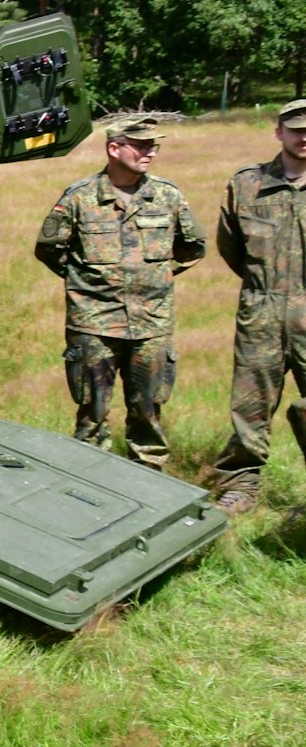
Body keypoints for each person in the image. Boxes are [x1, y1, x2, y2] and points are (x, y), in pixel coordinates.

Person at [34, 116, 206, 467]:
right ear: (114, 148)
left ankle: (149, 483)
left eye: (153, 146)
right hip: (94, 324)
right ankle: (91, 486)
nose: (150, 153)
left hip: (151, 325)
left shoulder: (167, 196)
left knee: (148, 412)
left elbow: (193, 247)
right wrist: (85, 282)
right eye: (141, 146)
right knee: (92, 414)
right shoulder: (79, 198)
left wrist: (156, 278)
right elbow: (49, 247)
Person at [210, 99, 306, 514]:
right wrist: (262, 288)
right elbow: (231, 246)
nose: (304, 138)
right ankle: (242, 485)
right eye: (296, 129)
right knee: (250, 406)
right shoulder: (247, 185)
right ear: (279, 132)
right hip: (261, 311)